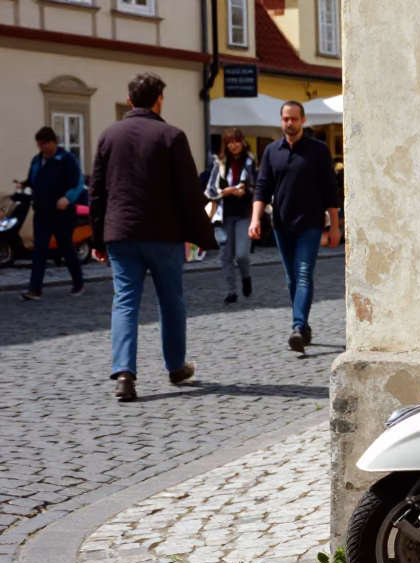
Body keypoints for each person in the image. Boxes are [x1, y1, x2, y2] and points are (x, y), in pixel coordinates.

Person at [90, 72, 217, 401]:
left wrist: (97, 241)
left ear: (129, 100)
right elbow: (189, 191)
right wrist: (201, 235)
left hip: (121, 233)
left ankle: (124, 374)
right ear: (159, 99)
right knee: (171, 300)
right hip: (163, 234)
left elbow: (97, 194)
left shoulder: (108, 136)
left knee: (125, 302)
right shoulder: (171, 135)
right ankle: (175, 366)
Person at [250, 100, 340, 352]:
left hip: (310, 223)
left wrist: (334, 226)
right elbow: (262, 188)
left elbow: (330, 190)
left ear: (303, 120)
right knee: (291, 278)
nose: (289, 123)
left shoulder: (318, 150)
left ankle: (298, 326)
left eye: (294, 118)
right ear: (281, 121)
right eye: (285, 119)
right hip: (281, 224)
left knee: (302, 273)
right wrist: (256, 218)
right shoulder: (271, 151)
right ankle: (303, 325)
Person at [18, 126, 85, 301]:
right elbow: (34, 180)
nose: (42, 148)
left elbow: (79, 182)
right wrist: (24, 185)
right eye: (39, 145)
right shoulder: (36, 161)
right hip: (41, 212)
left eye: (44, 144)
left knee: (65, 248)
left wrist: (67, 198)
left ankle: (78, 282)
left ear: (52, 142)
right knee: (39, 249)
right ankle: (35, 289)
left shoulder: (66, 159)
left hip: (62, 213)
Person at [204, 128, 256, 303]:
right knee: (226, 254)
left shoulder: (249, 162)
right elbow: (210, 190)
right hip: (223, 216)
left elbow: (258, 188)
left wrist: (246, 190)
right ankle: (231, 290)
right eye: (229, 142)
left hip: (243, 214)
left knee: (241, 254)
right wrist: (223, 192)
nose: (233, 145)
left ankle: (246, 277)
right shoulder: (220, 163)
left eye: (236, 141)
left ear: (242, 142)